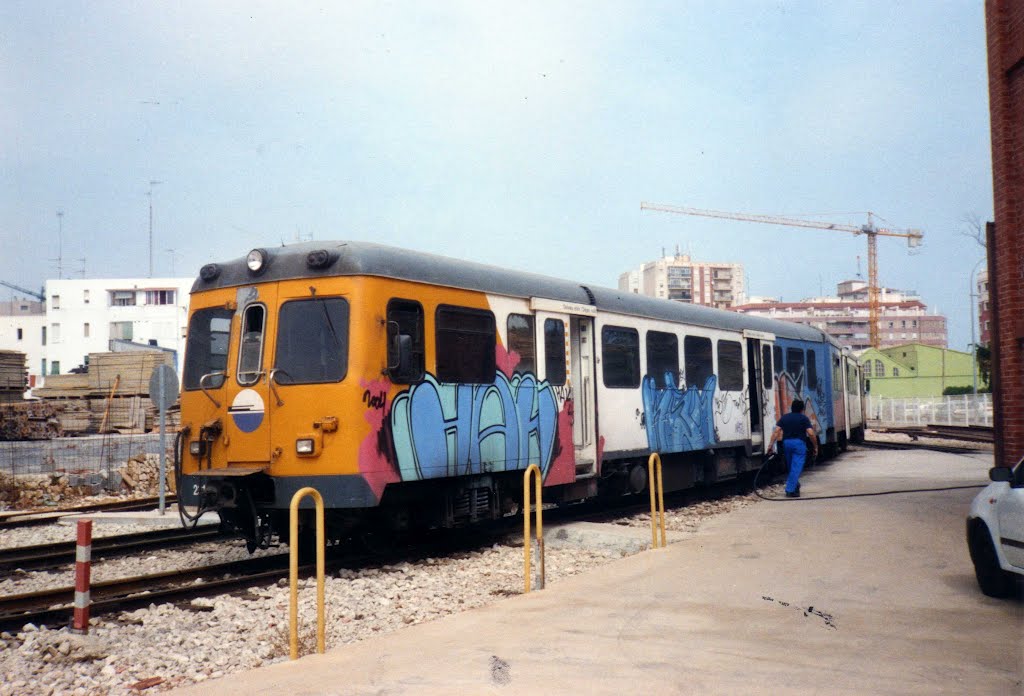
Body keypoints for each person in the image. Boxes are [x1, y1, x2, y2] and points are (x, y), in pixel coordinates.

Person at [766, 398, 818, 498]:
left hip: (787, 443)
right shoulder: (803, 418)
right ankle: (790, 490)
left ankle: (795, 486)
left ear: (792, 408)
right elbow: (811, 433)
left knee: (791, 467)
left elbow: (776, 432)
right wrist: (815, 446)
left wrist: (770, 445)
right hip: (799, 444)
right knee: (797, 467)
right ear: (802, 409)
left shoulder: (785, 418)